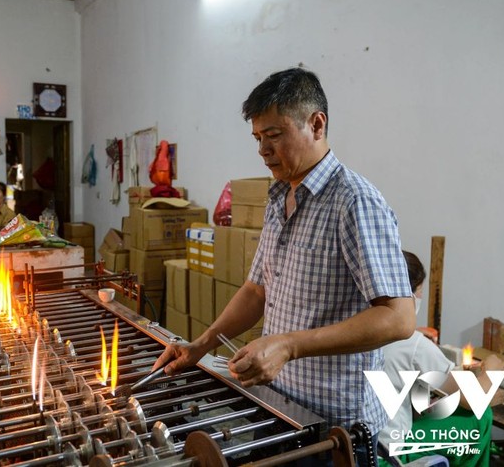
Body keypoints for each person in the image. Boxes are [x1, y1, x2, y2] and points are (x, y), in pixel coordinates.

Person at [154, 67, 416, 464]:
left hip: (333, 429)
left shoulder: (355, 202)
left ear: (316, 124)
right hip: (276, 405)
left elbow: (399, 319)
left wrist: (288, 345)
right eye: (258, 138)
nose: (262, 150)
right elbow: (257, 289)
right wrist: (200, 346)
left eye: (274, 135)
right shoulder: (279, 196)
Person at [378, 251, 504, 467]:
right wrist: (493, 370)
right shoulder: (412, 342)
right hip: (390, 454)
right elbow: (474, 399)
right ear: (408, 296)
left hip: (360, 445)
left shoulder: (354, 327)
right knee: (480, 416)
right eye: (420, 292)